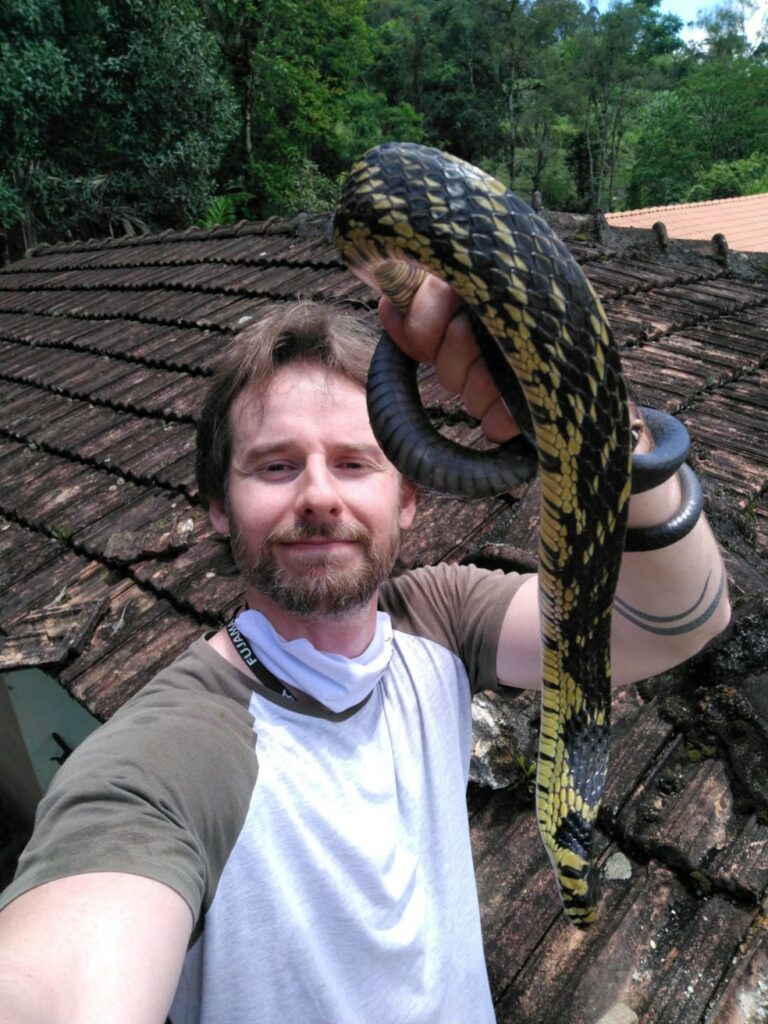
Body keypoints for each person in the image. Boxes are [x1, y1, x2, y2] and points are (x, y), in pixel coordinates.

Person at [0, 283, 729, 1024]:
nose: (319, 494)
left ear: (406, 497)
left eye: (354, 463)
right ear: (219, 503)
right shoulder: (166, 761)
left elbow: (677, 619)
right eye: (276, 466)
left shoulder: (442, 619)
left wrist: (593, 403)